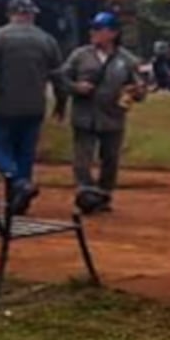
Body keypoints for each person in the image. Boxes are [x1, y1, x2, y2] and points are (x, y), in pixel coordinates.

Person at [0, 0, 66, 215]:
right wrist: (61, 103)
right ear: (32, 14)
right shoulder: (47, 40)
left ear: (10, 14)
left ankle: (18, 182)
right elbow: (59, 77)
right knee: (25, 153)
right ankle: (18, 201)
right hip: (35, 106)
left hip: (4, 106)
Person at [62, 12, 146, 213]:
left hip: (113, 116)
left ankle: (104, 194)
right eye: (93, 28)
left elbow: (140, 90)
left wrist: (136, 92)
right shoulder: (80, 55)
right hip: (84, 115)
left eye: (99, 29)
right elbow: (61, 79)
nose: (93, 33)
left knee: (110, 159)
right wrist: (76, 87)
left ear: (113, 33)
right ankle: (86, 193)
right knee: (82, 158)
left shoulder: (128, 60)